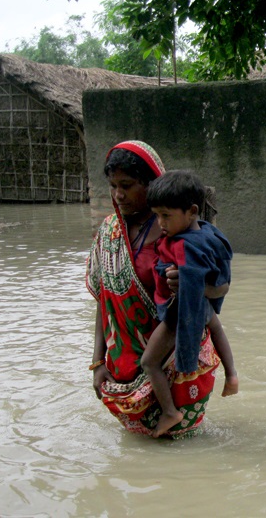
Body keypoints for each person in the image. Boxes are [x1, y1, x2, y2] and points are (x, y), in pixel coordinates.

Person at [86, 141, 223, 438]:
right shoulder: (109, 233)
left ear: (150, 183)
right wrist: (97, 362)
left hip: (178, 359)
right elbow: (104, 301)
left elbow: (217, 290)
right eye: (113, 186)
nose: (118, 194)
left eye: (128, 185)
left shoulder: (178, 230)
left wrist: (188, 284)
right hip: (125, 369)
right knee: (141, 451)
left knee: (183, 448)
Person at [141, 170, 237, 438]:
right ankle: (232, 375)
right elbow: (221, 283)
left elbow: (191, 287)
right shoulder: (209, 233)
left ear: (192, 211)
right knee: (216, 326)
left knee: (149, 362)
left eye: (166, 215)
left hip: (182, 313)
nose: (160, 222)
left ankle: (171, 412)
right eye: (157, 215)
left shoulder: (185, 246)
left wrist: (185, 357)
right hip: (205, 306)